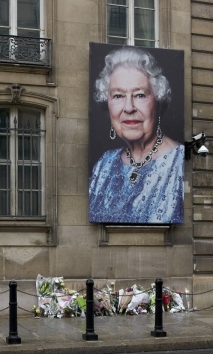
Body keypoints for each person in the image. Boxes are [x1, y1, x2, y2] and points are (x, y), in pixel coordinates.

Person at [89, 47, 184, 224]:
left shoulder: (180, 162)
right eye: (118, 95)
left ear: (158, 100)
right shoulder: (103, 165)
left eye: (140, 95)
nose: (129, 107)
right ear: (107, 102)